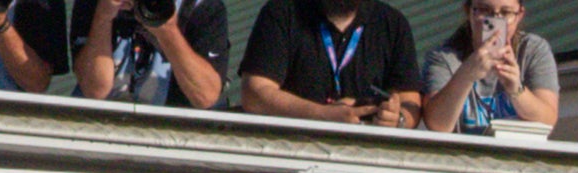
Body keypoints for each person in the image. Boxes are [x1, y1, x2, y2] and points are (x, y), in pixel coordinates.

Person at [235, 0, 422, 122]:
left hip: (367, 159)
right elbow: (255, 94)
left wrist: (396, 120)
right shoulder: (282, 12)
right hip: (293, 153)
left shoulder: (392, 23)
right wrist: (323, 115)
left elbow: (410, 103)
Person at [422, 0, 554, 132]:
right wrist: (466, 74)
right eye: (484, 10)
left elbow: (548, 120)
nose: (495, 21)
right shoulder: (443, 57)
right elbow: (437, 125)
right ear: (469, 12)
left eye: (506, 12)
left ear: (519, 15)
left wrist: (516, 89)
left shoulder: (533, 51)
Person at [75, 0, 226, 105]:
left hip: (170, 129)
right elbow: (94, 90)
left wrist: (168, 31)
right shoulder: (94, 4)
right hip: (101, 124)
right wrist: (103, 17)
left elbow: (205, 96)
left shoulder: (203, 7)